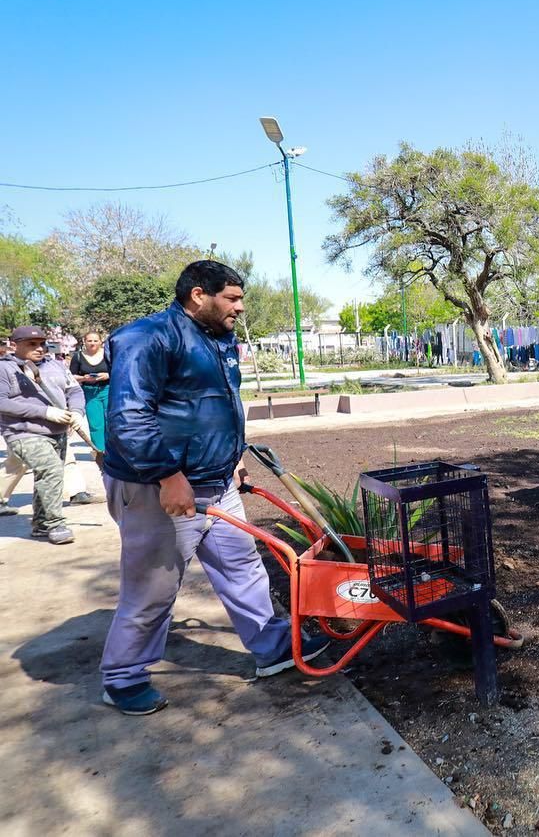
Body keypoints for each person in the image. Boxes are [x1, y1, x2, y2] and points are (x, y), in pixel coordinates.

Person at [100, 260, 328, 716]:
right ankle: (123, 677)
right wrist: (168, 476)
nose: (240, 307)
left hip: (217, 483)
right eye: (233, 298)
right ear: (198, 295)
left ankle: (272, 647)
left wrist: (234, 459)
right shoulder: (147, 338)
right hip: (159, 490)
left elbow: (222, 406)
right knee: (152, 589)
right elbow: (129, 415)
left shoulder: (219, 338)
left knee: (244, 568)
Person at [0, 326, 86, 544]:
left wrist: (77, 411)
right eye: (32, 344)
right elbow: (2, 402)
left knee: (47, 477)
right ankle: (55, 523)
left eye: (42, 344)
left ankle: (41, 525)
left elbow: (74, 390)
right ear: (14, 345)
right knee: (51, 470)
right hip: (23, 432)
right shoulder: (4, 369)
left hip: (58, 431)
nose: (39, 348)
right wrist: (45, 412)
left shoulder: (56, 365)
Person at [70, 332, 110, 451]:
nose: (92, 343)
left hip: (108, 390)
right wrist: (84, 378)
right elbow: (71, 376)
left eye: (95, 341)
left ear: (101, 342)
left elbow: (118, 371)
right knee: (95, 424)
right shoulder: (78, 356)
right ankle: (100, 452)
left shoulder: (108, 355)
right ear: (84, 341)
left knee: (111, 422)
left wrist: (107, 375)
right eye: (90, 341)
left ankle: (113, 451)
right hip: (89, 392)